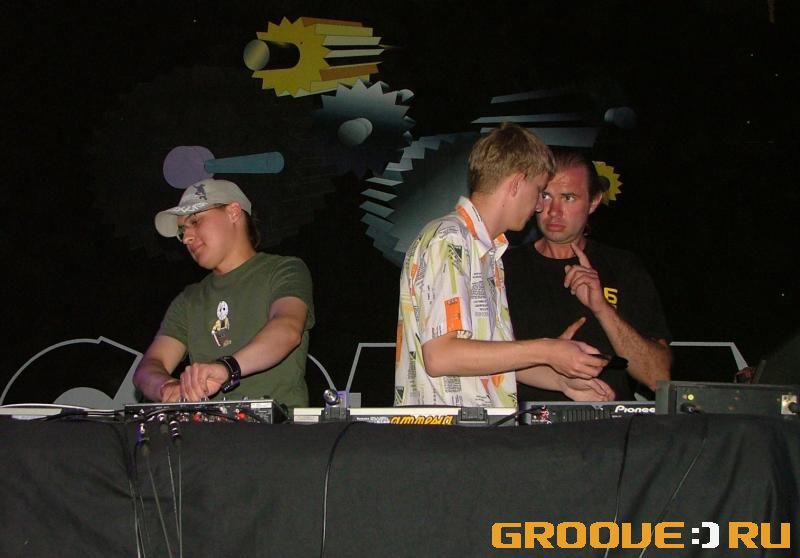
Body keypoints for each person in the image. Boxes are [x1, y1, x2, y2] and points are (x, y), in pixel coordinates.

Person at [394, 123, 614, 408]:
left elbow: (488, 361)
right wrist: (547, 350)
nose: (539, 206)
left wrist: (561, 382)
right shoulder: (450, 239)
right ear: (516, 184)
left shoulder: (488, 253)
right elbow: (441, 357)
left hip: (476, 430)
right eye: (539, 191)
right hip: (447, 432)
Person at [503, 148, 671, 402]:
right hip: (524, 422)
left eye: (568, 198)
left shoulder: (622, 266)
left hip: (607, 420)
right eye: (545, 196)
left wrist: (602, 308)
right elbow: (477, 358)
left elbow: (657, 377)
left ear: (593, 202)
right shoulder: (504, 266)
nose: (554, 211)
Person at [133, 178, 314, 407]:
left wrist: (227, 369)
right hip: (206, 427)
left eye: (195, 221)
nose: (186, 238)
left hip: (276, 426)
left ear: (233, 212)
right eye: (182, 231)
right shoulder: (189, 299)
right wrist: (166, 387)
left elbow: (287, 329)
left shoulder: (283, 270)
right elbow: (148, 367)